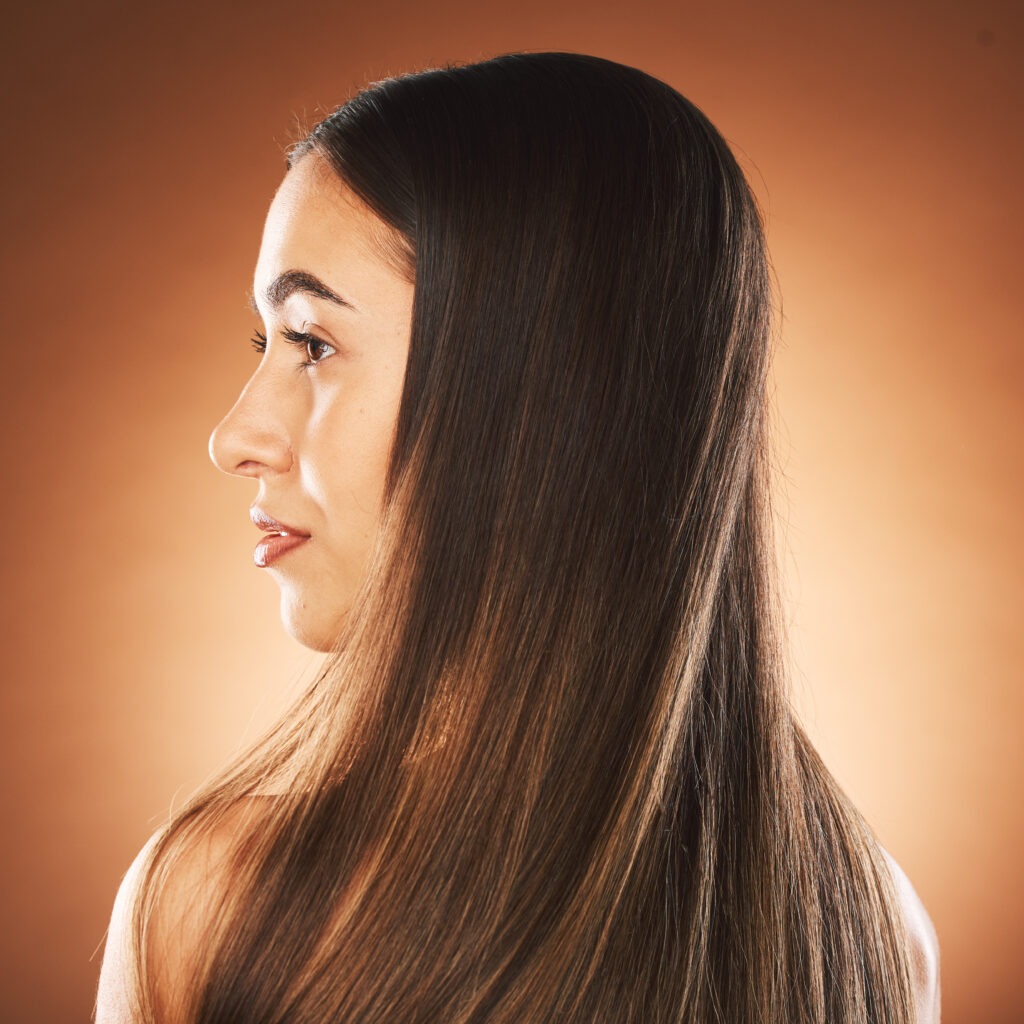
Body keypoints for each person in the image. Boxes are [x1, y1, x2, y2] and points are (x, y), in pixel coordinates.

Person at [94, 52, 940, 1023]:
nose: (234, 437)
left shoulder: (220, 908)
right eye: (267, 344)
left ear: (536, 396)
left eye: (312, 342)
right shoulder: (875, 933)